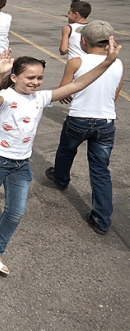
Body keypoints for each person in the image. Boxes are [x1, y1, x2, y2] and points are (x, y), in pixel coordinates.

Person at [0, 41, 121, 275]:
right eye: (30, 77)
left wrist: (108, 62)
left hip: (21, 165)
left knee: (16, 211)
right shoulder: (6, 97)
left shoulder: (41, 98)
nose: (35, 82)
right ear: (16, 77)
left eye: (39, 78)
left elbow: (78, 84)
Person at [45, 21, 124, 235]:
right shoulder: (117, 63)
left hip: (79, 118)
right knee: (100, 170)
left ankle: (61, 178)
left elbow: (63, 90)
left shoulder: (76, 62)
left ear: (83, 41)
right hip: (105, 122)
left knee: (66, 150)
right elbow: (114, 95)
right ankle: (102, 219)